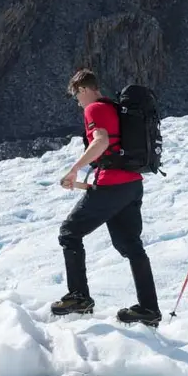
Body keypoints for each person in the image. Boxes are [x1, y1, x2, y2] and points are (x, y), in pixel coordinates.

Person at [53, 69, 161, 326]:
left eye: (76, 96)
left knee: (69, 233)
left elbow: (100, 141)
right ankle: (149, 308)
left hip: (112, 184)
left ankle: (79, 297)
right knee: (131, 246)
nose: (78, 102)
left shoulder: (94, 109)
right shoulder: (115, 108)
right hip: (132, 184)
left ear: (82, 89)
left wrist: (74, 169)